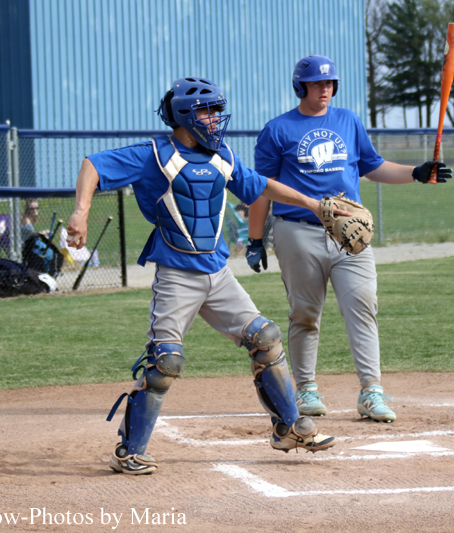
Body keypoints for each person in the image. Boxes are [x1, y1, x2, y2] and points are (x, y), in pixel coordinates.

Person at [67, 77, 353, 475]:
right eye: (207, 111)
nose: (215, 119)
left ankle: (289, 427)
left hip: (217, 273)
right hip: (177, 275)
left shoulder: (222, 156)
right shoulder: (155, 153)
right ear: (185, 116)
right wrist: (80, 213)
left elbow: (261, 186)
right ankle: (130, 450)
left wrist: (313, 203)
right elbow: (92, 165)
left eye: (217, 111)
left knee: (265, 338)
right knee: (166, 362)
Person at [247, 55, 452, 423]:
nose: (325, 89)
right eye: (317, 83)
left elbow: (372, 166)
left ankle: (371, 391)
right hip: (297, 231)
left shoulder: (347, 121)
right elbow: (262, 189)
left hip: (350, 233)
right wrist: (255, 238)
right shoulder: (277, 129)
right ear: (301, 86)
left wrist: (417, 172)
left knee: (363, 305)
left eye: (329, 83)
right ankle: (306, 389)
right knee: (305, 313)